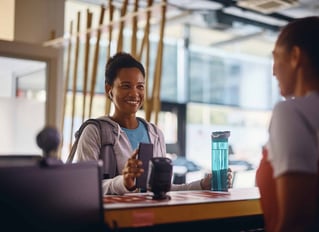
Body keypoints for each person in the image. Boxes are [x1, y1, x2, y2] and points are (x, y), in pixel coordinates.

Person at [75, 52, 229, 195]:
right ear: (109, 89)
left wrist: (202, 184)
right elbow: (84, 187)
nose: (135, 93)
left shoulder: (154, 133)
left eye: (140, 86)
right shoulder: (95, 131)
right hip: (114, 222)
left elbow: (164, 188)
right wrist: (124, 182)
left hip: (152, 220)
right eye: (126, 86)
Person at [256, 17, 319, 232]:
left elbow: (296, 221)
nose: (273, 71)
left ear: (296, 57)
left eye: (276, 57)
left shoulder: (291, 113)